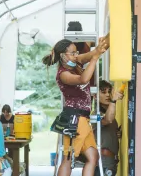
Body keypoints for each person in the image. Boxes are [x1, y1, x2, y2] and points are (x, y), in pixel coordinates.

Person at [42, 36, 109, 176]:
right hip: (74, 119)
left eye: (76, 52)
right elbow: (84, 79)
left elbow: (90, 54)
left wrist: (99, 49)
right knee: (68, 158)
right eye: (72, 53)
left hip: (82, 118)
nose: (76, 55)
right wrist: (95, 58)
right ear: (63, 56)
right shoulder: (63, 74)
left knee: (92, 157)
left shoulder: (75, 62)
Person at [93, 80, 123, 176]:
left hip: (110, 163)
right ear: (95, 96)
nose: (107, 95)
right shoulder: (95, 114)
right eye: (103, 92)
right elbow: (108, 119)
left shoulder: (109, 112)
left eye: (109, 91)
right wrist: (113, 101)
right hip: (102, 164)